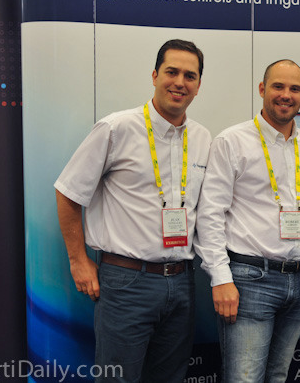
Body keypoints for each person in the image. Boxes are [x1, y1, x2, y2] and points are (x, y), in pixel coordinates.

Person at [54, 39, 210, 382]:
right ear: (155, 76)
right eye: (171, 72)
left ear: (199, 85)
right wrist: (78, 260)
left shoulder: (202, 138)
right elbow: (67, 192)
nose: (180, 82)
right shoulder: (116, 128)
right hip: (127, 282)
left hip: (182, 282)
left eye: (190, 76)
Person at [195, 59, 300, 382]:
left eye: (294, 88)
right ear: (262, 89)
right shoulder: (232, 141)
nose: (286, 95)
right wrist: (220, 278)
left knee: (278, 375)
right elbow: (210, 214)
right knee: (244, 378)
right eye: (278, 86)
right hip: (251, 280)